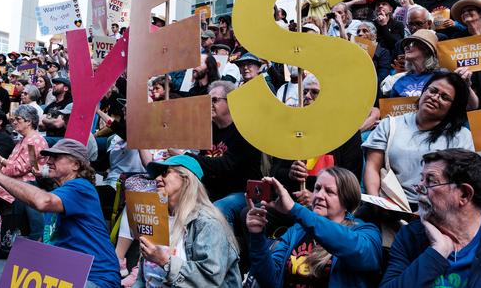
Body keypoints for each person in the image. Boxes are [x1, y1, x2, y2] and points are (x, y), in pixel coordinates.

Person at [0, 138, 120, 288]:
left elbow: (42, 201)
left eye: (56, 157)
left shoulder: (81, 187)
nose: (48, 161)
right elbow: (47, 240)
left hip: (96, 277)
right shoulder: (58, 195)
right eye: (49, 157)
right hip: (65, 276)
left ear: (76, 164)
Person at [380, 149, 481, 287]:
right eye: (421, 179)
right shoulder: (410, 235)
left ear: (464, 195)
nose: (418, 188)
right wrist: (437, 253)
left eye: (431, 181)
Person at [247, 169, 382, 287]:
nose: (318, 195)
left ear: (347, 200)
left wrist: (295, 209)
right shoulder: (297, 231)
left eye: (329, 191)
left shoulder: (366, 232)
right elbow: (270, 280)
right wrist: (257, 235)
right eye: (317, 188)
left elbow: (353, 248)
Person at [364, 72, 474, 210]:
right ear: (423, 91)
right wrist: (376, 203)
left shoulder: (461, 136)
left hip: (436, 210)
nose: (435, 97)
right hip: (389, 204)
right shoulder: (390, 125)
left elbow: (461, 182)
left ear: (454, 107)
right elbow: (372, 166)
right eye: (433, 90)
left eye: (444, 97)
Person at [135, 155, 241, 287]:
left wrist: (164, 261)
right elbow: (143, 277)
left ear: (186, 179)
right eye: (156, 175)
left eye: (164, 173)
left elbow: (209, 280)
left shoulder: (207, 223)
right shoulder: (155, 218)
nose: (157, 179)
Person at [178, 81, 262, 226]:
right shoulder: (208, 130)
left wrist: (185, 156)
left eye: (214, 100)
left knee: (219, 209)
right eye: (208, 100)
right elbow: (204, 164)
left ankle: (226, 248)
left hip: (243, 193)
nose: (209, 104)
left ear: (231, 103)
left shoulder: (245, 130)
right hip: (214, 190)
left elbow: (225, 165)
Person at [388, 29, 440, 97]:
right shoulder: (400, 81)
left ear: (426, 49)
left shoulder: (440, 78)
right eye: (406, 45)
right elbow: (392, 106)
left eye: (411, 44)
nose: (406, 47)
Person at [356, 21, 392, 87]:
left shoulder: (383, 53)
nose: (360, 34)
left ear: (374, 35)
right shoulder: (354, 52)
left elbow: (382, 77)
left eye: (365, 31)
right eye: (358, 31)